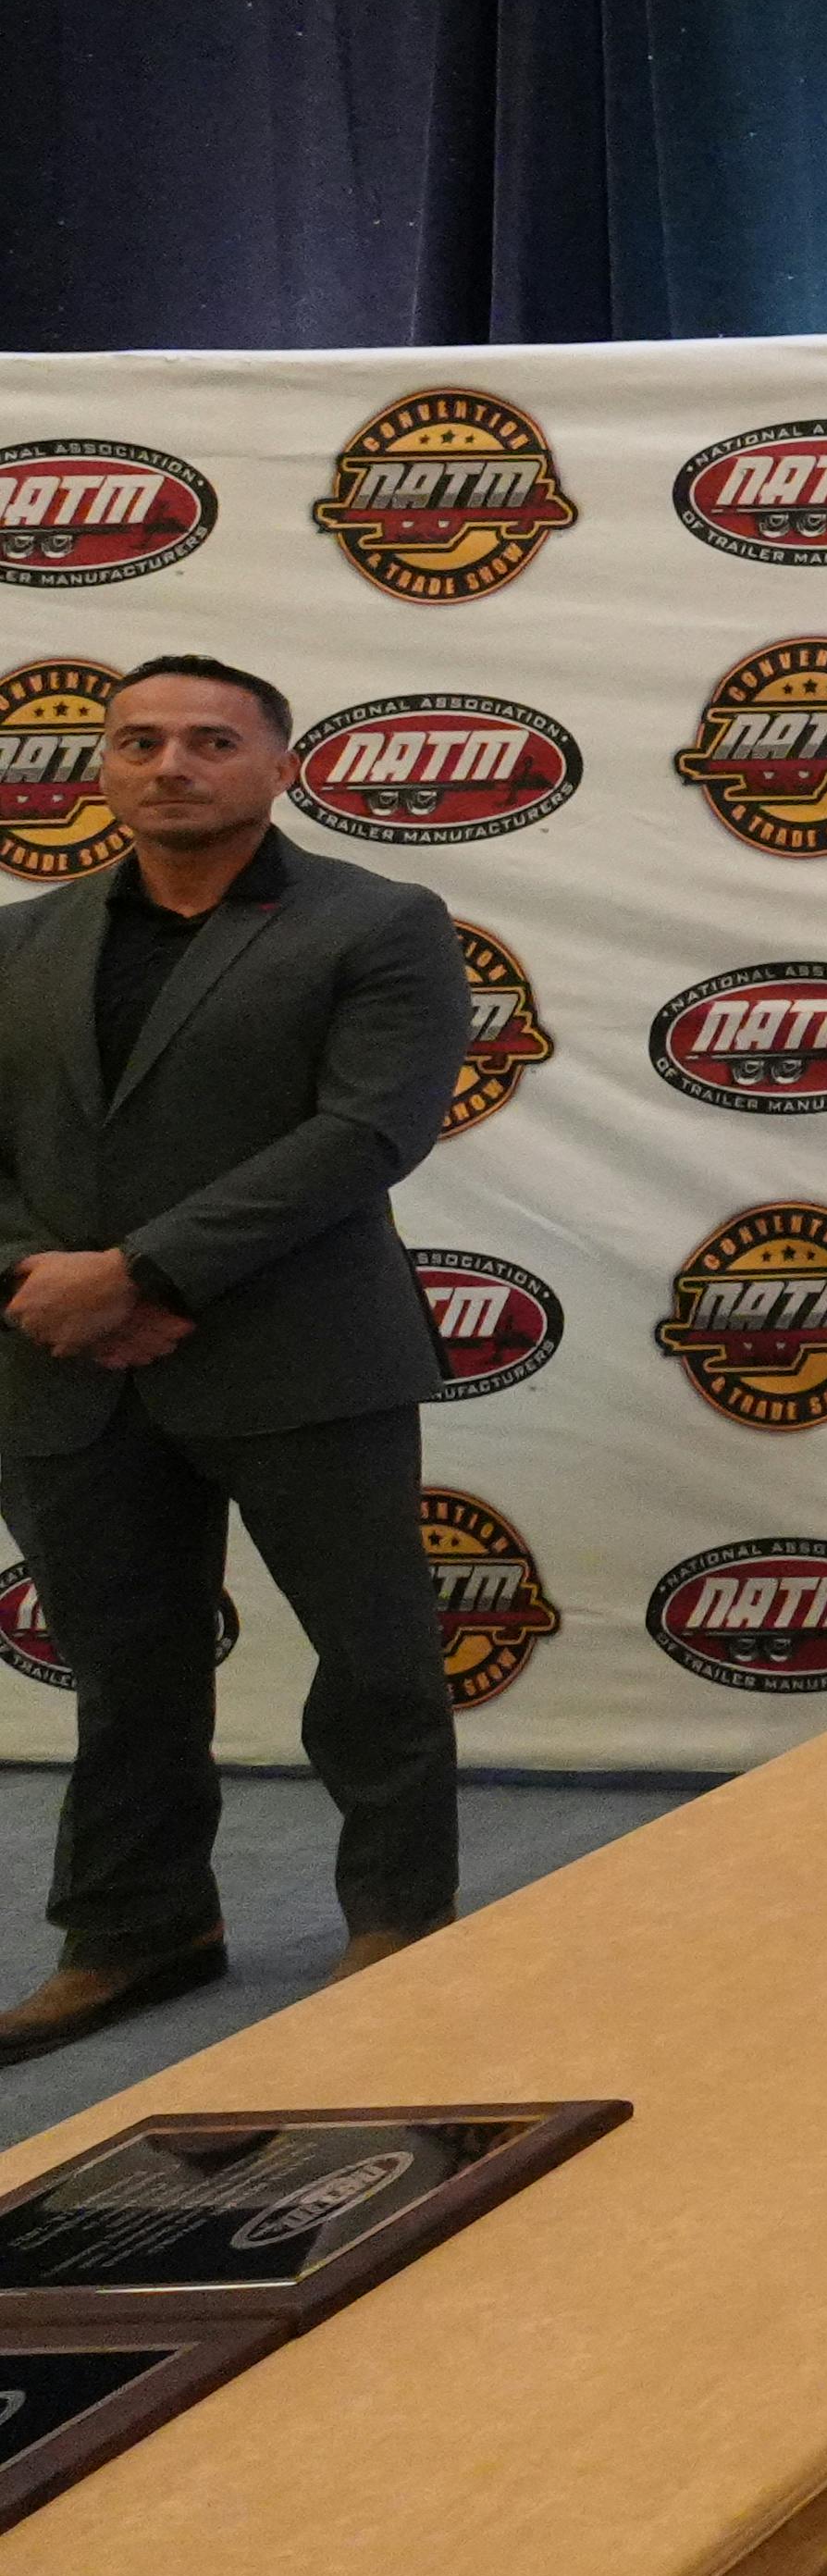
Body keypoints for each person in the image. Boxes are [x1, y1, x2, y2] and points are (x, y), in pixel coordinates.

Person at [0, 655, 472, 2060]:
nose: (171, 765)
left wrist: (138, 1275)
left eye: (211, 740)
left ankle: (399, 1922)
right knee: (123, 1672)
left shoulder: (378, 923)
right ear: (100, 767)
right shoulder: (21, 942)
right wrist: (39, 1280)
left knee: (373, 1661)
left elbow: (368, 1131)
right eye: (138, 740)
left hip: (301, 1354)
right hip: (62, 1360)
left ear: (281, 767)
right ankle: (135, 1931)